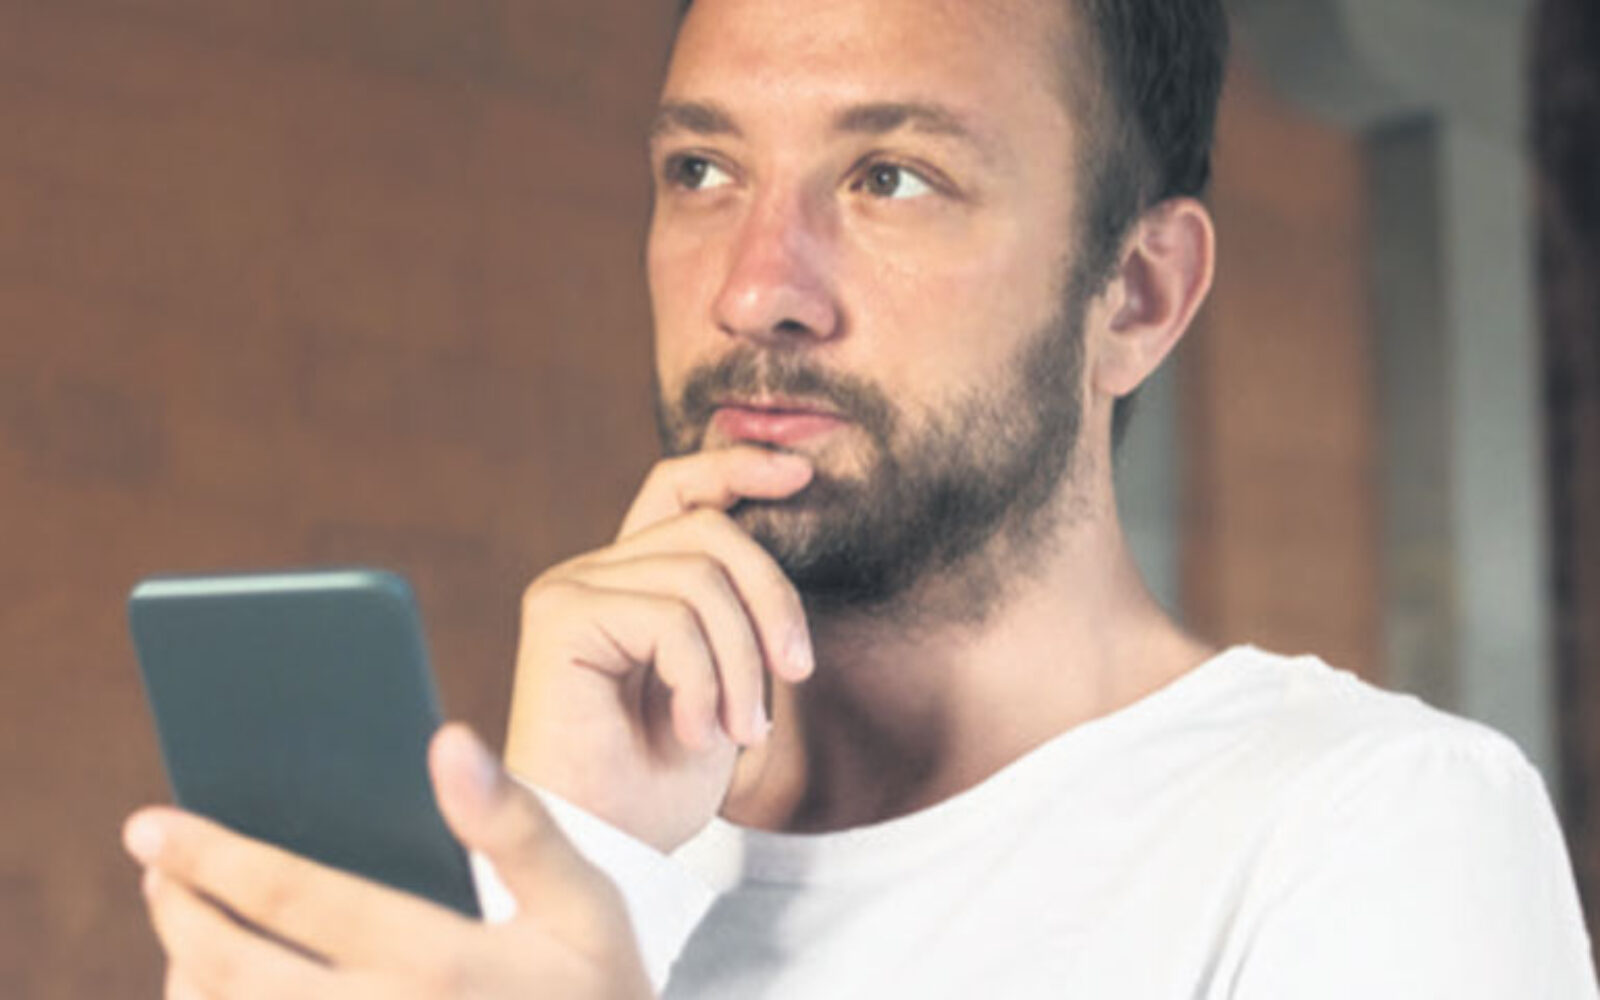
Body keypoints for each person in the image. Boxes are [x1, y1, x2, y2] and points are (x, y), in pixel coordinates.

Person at [123, 0, 1599, 996]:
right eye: (702, 169)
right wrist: (583, 860)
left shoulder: (1375, 823)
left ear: (1138, 296)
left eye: (892, 177)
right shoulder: (553, 872)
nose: (756, 287)